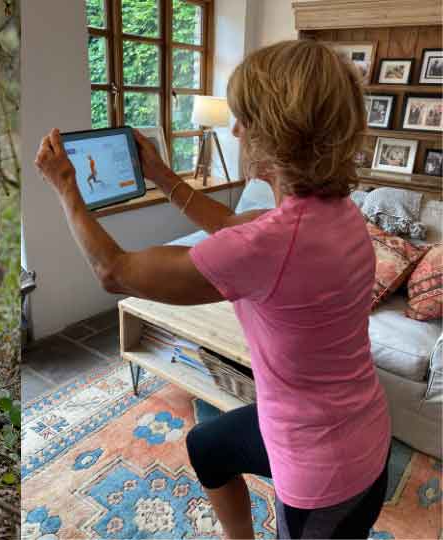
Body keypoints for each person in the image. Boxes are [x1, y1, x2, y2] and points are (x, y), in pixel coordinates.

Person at [33, 39, 389, 539]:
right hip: (353, 428)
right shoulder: (336, 210)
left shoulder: (274, 242)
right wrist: (159, 171)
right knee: (208, 446)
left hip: (327, 477)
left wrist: (66, 187)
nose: (236, 130)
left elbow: (113, 270)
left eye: (244, 118)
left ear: (277, 135)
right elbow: (229, 223)